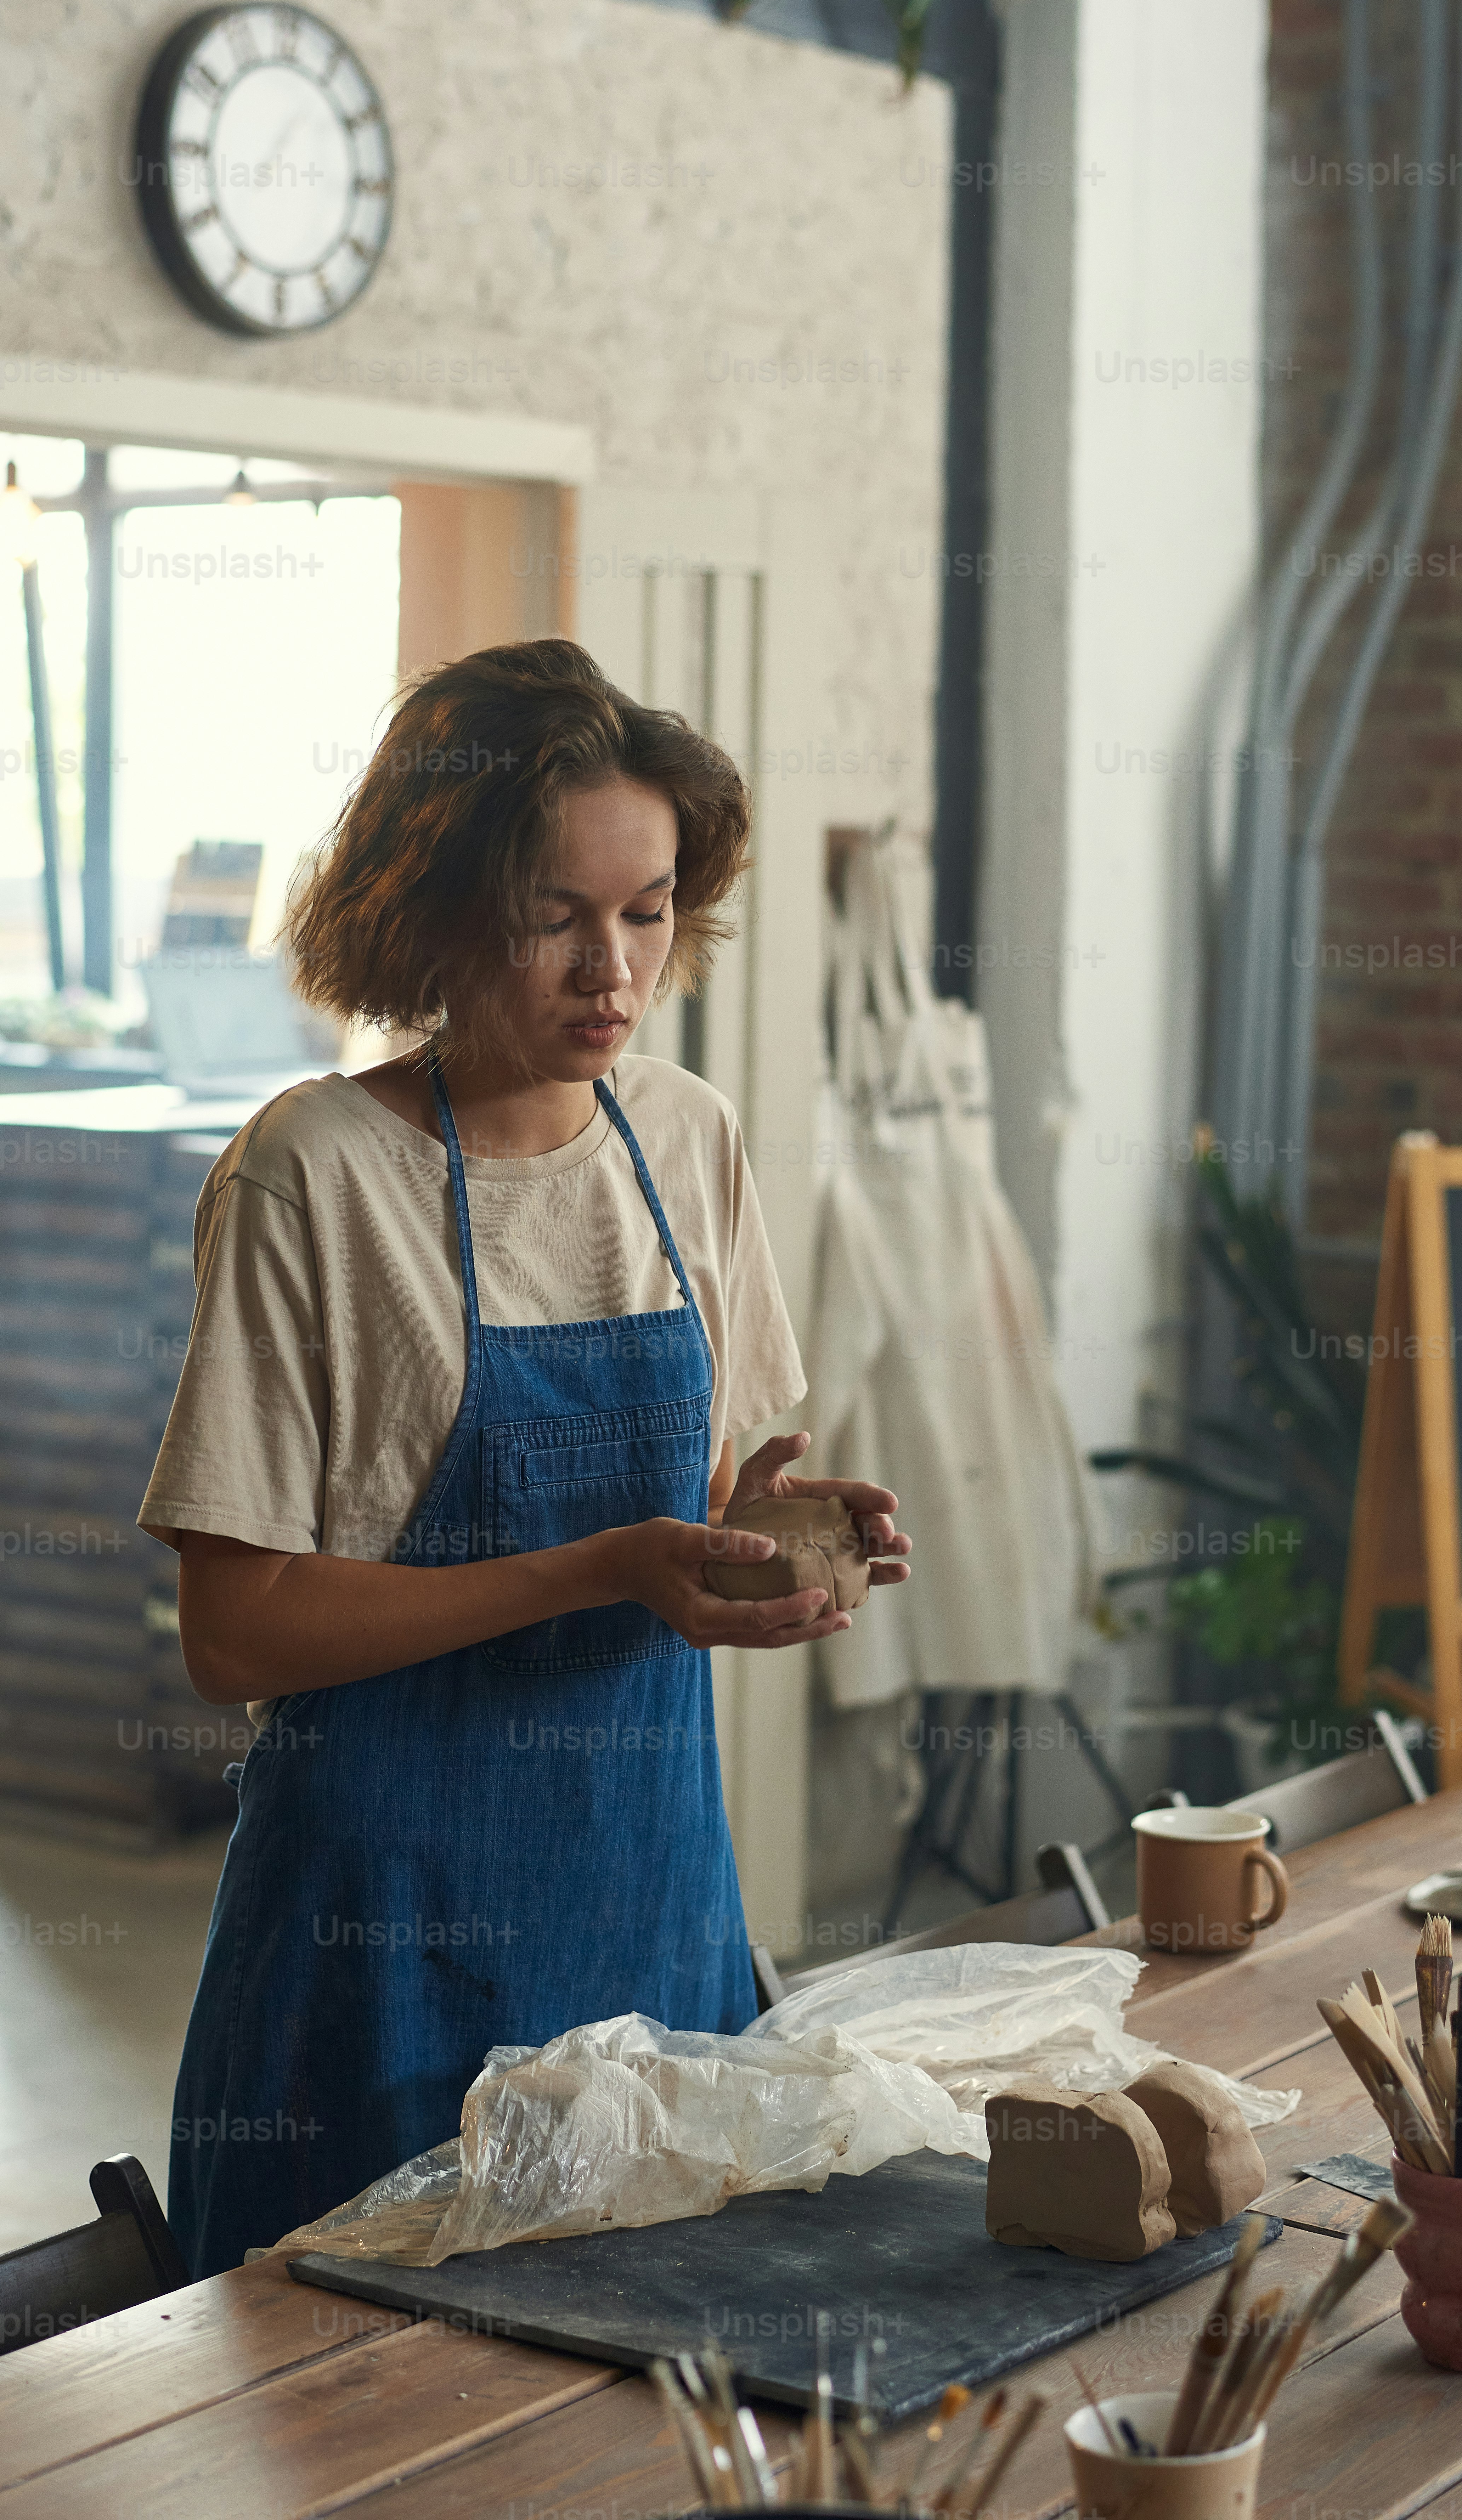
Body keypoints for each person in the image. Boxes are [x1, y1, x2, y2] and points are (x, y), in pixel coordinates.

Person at [140, 637, 913, 2277]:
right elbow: (238, 1631)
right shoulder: (313, 1175)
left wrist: (785, 1531)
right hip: (384, 1940)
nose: (611, 969)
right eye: (554, 914)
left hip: (648, 1901)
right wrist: (600, 1566)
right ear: (433, 910)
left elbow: (712, 1493)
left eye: (643, 913)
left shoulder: (686, 1137)